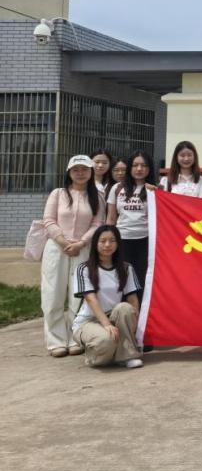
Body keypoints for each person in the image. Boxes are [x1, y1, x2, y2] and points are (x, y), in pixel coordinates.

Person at [41, 155, 104, 357]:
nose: (80, 173)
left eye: (84, 169)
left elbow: (97, 224)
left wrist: (81, 243)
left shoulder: (97, 197)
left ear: (91, 172)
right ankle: (56, 341)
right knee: (53, 293)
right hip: (56, 248)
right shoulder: (58, 194)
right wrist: (62, 241)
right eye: (76, 169)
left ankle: (75, 337)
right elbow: (49, 220)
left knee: (79, 295)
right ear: (69, 172)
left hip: (83, 249)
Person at [71, 225, 144, 369]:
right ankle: (94, 355)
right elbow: (91, 299)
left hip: (113, 318)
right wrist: (106, 325)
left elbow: (133, 300)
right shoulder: (84, 268)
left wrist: (135, 326)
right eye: (102, 241)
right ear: (95, 244)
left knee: (125, 308)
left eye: (112, 241)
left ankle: (127, 356)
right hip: (89, 322)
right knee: (106, 342)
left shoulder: (126, 268)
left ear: (118, 244)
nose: (107, 245)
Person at [106, 150, 156, 298]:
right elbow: (111, 218)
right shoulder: (117, 188)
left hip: (145, 241)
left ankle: (139, 310)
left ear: (149, 168)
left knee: (141, 278)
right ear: (129, 167)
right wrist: (109, 239)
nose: (139, 169)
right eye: (135, 165)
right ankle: (121, 309)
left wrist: (156, 192)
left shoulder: (154, 189)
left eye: (144, 165)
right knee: (121, 278)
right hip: (122, 240)